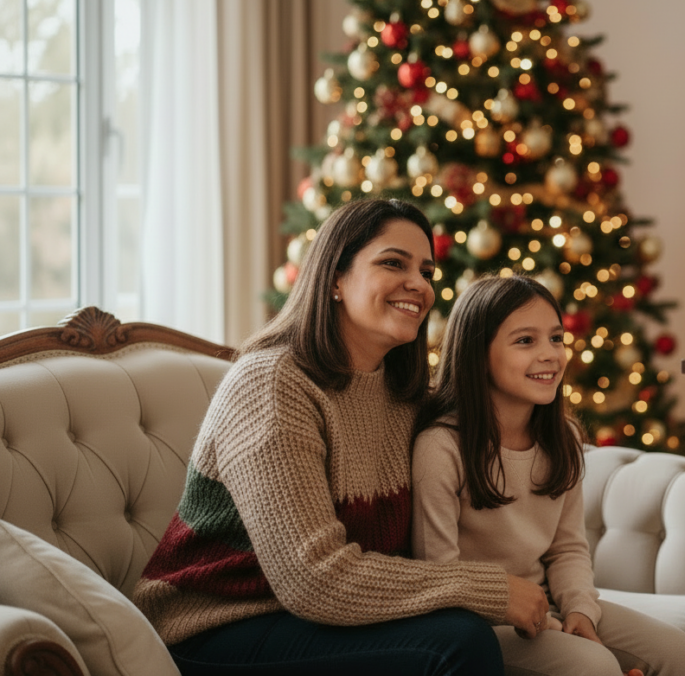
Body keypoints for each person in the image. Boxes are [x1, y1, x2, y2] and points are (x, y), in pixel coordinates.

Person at [132, 199, 550, 676]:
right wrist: (489, 588)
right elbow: (314, 579)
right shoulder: (271, 385)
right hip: (210, 630)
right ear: (334, 278)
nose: (419, 284)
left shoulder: (405, 393)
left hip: (322, 619)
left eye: (427, 271)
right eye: (393, 262)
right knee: (456, 642)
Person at [411, 274, 685, 676]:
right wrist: (546, 625)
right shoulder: (439, 448)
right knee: (594, 666)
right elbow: (441, 576)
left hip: (548, 601)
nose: (550, 354)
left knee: (676, 651)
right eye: (525, 341)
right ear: (478, 354)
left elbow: (567, 549)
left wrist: (580, 609)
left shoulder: (562, 438)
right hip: (477, 624)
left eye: (557, 338)